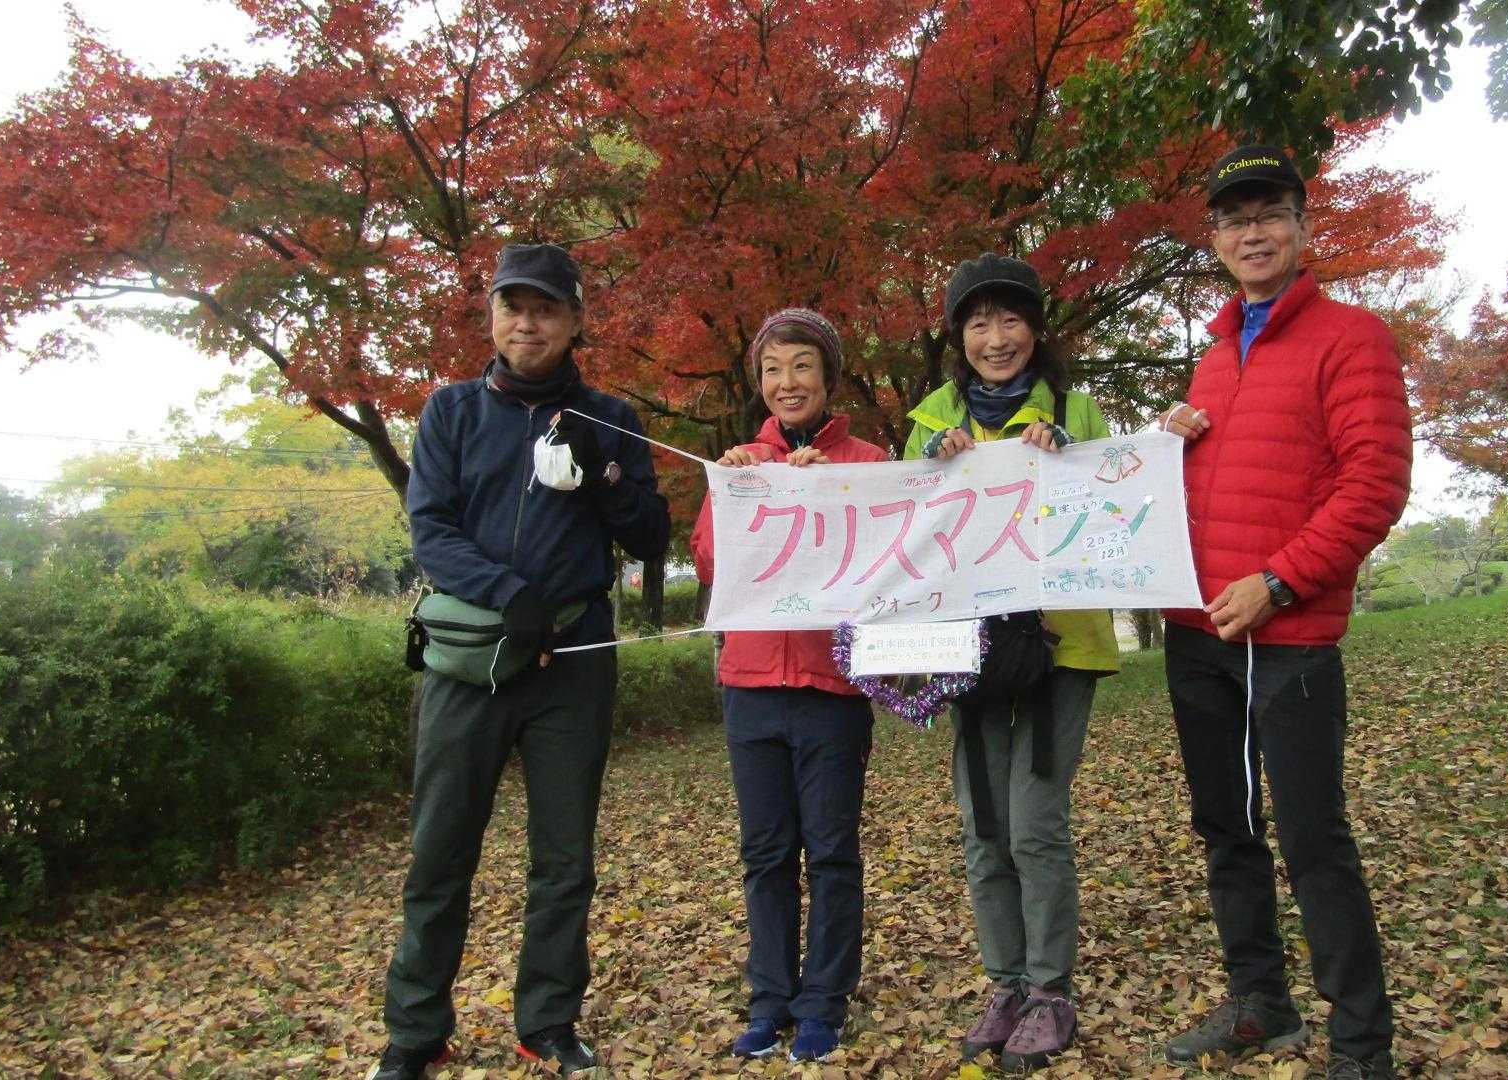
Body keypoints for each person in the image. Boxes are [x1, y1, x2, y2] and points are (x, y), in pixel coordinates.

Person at [369, 243, 670, 1080]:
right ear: (492, 315)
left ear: (575, 322)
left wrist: (603, 470)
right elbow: (431, 530)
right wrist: (508, 594)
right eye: (513, 306)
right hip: (467, 659)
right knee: (440, 849)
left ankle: (548, 1021)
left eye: (545, 308)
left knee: (564, 858)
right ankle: (416, 1029)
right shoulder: (451, 412)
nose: (526, 323)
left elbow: (650, 537)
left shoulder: (611, 416)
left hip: (574, 658)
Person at [1155, 147, 1411, 1080]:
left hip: (1289, 639)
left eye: (1269, 214)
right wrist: (1169, 443)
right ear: (1216, 239)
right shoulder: (1215, 356)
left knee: (1312, 840)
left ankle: (1361, 1044)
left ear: (1302, 227)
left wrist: (1282, 581)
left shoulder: (1353, 338)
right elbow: (1218, 488)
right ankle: (1262, 1004)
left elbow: (1374, 485)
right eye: (1234, 220)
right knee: (1227, 831)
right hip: (1198, 637)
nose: (1252, 233)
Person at [901, 253, 1120, 1073]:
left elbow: (1115, 509)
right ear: (959, 336)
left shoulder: (1078, 409)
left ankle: (1049, 989)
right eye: (978, 322)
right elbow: (909, 527)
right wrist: (934, 464)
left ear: (1036, 329)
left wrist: (1067, 457)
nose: (996, 338)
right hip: (970, 648)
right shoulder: (929, 421)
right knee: (984, 824)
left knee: (1035, 821)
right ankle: (1005, 983)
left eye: (1011, 319)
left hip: (1063, 643)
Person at [690, 309, 888, 1064]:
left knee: (831, 851)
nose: (787, 382)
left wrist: (826, 492)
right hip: (750, 685)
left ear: (829, 377)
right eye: (772, 369)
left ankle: (823, 1002)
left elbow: (889, 558)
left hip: (832, 687)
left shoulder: (868, 461)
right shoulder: (742, 463)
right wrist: (738, 490)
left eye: (803, 365)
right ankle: (769, 999)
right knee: (765, 852)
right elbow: (711, 563)